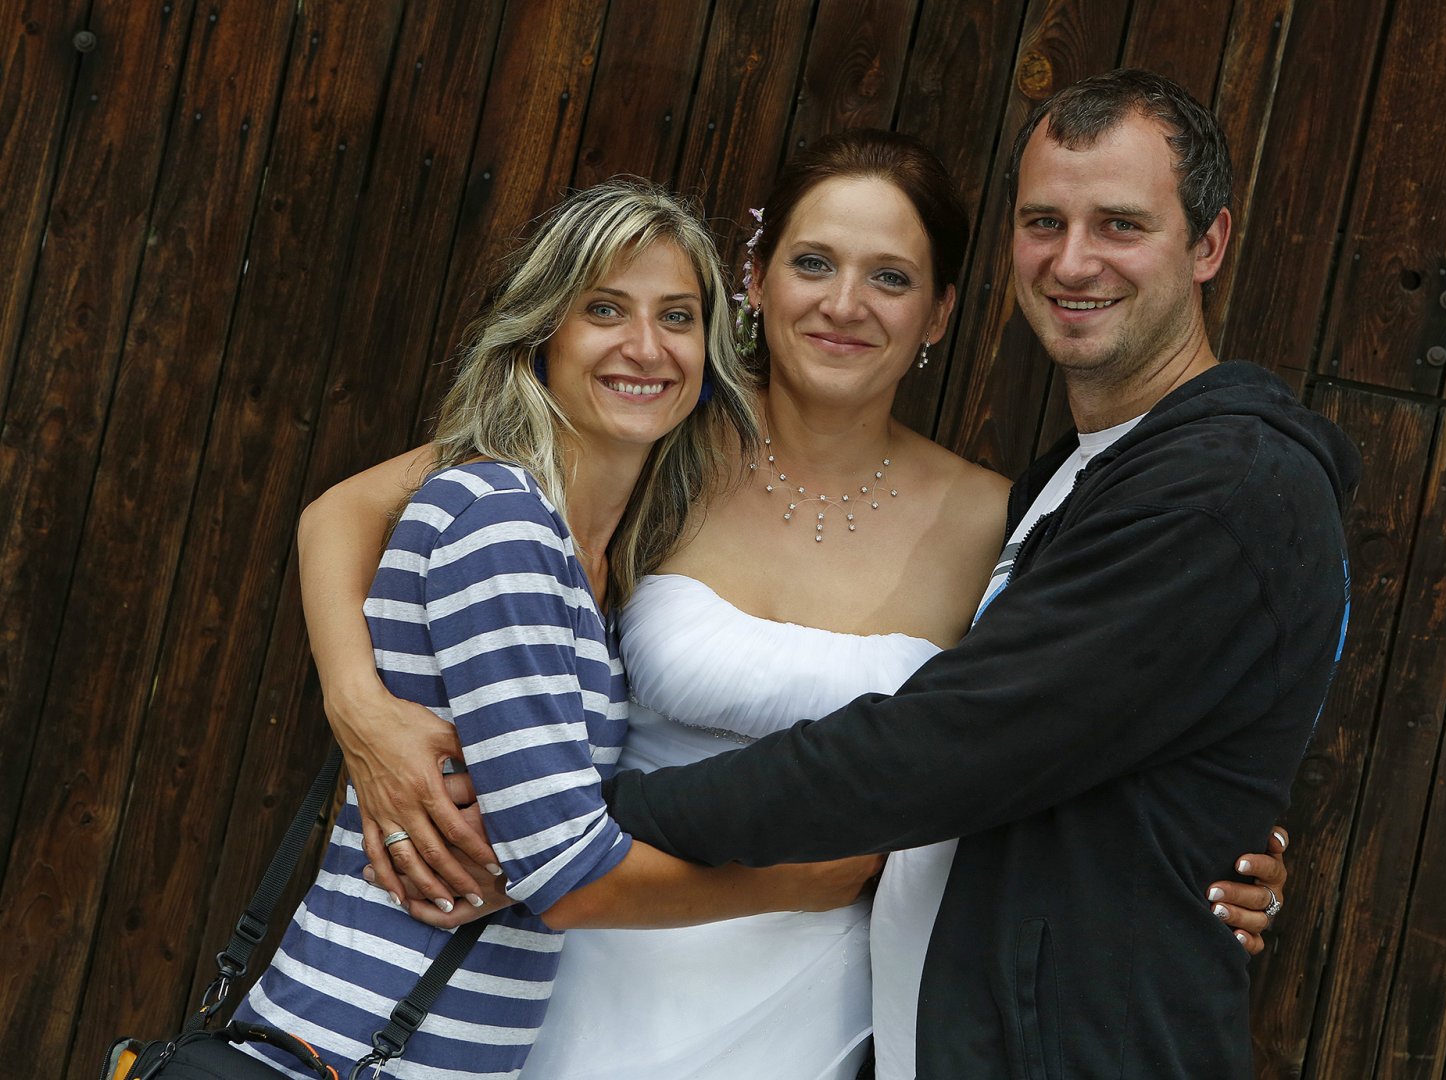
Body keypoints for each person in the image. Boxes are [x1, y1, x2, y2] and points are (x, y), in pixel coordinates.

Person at [299, 132, 1288, 1079]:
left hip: (816, 991)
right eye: (813, 263)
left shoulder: (1000, 521)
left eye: (890, 278)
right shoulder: (657, 430)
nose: (843, 305)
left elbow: (1064, 727)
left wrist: (1211, 855)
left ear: (938, 313)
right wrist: (359, 708)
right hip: (581, 942)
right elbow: (344, 512)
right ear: (756, 278)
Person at [594, 71, 1361, 1078]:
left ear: (1207, 244)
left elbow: (945, 747)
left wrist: (587, 821)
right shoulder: (1075, 479)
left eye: (1120, 224)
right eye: (1044, 222)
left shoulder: (1219, 491)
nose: (1073, 260)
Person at [232, 180, 880, 1078]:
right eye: (603, 310)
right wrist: (800, 883)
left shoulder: (594, 556)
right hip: (346, 1049)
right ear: (543, 337)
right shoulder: (501, 518)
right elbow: (567, 875)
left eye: (677, 316)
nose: (645, 346)